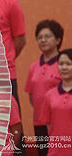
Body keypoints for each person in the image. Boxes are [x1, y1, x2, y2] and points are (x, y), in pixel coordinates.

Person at [25, 19, 63, 156]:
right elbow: (31, 96)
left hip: (60, 122)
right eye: (39, 37)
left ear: (58, 40)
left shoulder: (64, 64)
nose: (43, 40)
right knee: (43, 152)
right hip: (39, 121)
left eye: (47, 36)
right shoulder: (33, 66)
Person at [39, 49, 72, 156]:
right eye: (61, 64)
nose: (64, 67)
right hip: (56, 151)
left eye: (68, 64)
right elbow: (49, 126)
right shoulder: (50, 95)